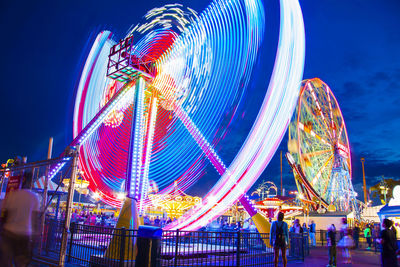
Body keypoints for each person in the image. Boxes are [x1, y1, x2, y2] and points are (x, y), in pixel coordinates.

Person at [0, 175, 41, 266]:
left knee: (5, 261)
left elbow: (5, 215)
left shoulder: (12, 195)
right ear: (31, 183)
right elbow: (35, 219)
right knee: (21, 262)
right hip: (25, 233)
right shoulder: (34, 197)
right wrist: (35, 236)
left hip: (9, 231)